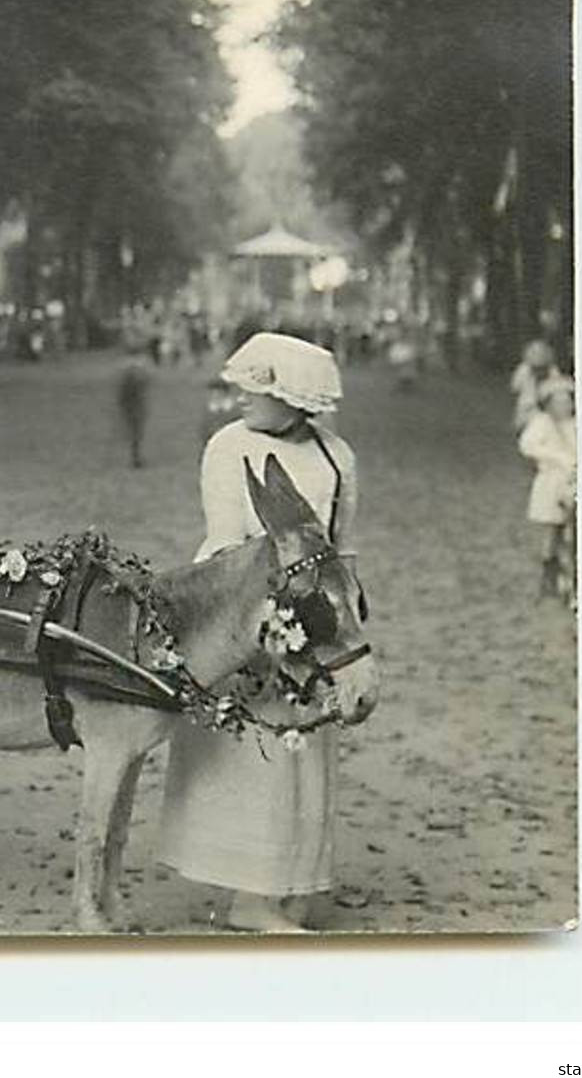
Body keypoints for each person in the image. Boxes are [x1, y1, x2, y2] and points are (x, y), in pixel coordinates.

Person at [158, 331, 359, 933]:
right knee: (253, 746)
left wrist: (337, 619)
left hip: (313, 613)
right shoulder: (228, 446)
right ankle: (246, 894)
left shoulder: (336, 458)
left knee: (306, 743)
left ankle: (291, 882)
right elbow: (226, 543)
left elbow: (340, 547)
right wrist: (265, 627)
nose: (240, 396)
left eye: (256, 389)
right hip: (240, 607)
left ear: (297, 399)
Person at [518, 375, 576, 602]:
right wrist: (556, 456)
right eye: (559, 402)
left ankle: (571, 576)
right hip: (551, 482)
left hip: (573, 481)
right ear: (548, 404)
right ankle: (548, 575)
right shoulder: (541, 423)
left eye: (568, 402)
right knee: (552, 530)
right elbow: (527, 446)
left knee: (573, 531)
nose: (565, 407)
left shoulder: (574, 424)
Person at [509, 339, 567, 434]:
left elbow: (558, 393)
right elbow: (515, 389)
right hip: (526, 409)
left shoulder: (554, 372)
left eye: (542, 367)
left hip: (547, 412)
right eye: (535, 367)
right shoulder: (523, 370)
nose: (539, 371)